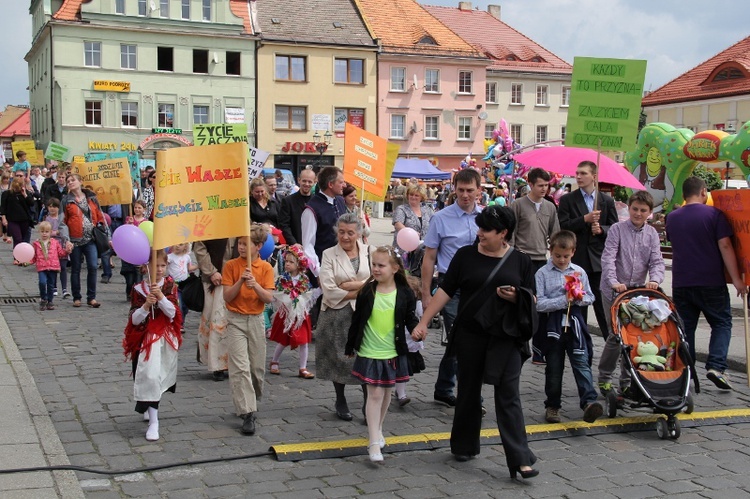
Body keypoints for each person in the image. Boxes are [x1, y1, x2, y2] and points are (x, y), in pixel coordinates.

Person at [412, 205, 538, 479]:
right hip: (470, 333)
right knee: (468, 391)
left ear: (503, 233)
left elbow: (533, 299)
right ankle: (464, 445)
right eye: (479, 227)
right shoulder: (465, 255)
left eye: (485, 229)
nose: (479, 233)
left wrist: (518, 297)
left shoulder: (520, 261)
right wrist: (423, 322)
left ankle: (520, 459)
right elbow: (446, 290)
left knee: (508, 396)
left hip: (506, 336)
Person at [666, 176, 747, 390]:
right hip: (711, 280)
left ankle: (688, 370)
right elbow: (726, 246)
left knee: (687, 328)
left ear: (684, 194)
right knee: (721, 323)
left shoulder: (672, 218)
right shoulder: (714, 215)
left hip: (682, 281)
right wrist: (737, 279)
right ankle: (716, 366)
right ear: (703, 191)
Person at [346, 246, 418, 463]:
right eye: (374, 265)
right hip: (370, 350)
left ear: (395, 268)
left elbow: (410, 318)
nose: (375, 269)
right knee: (375, 394)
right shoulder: (367, 291)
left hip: (393, 351)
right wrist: (351, 346)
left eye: (381, 265)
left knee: (386, 393)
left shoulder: (405, 293)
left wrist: (417, 329)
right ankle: (373, 441)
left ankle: (377, 430)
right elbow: (357, 320)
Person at [421, 168, 482, 407]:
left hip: (478, 287)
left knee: (468, 341)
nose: (465, 195)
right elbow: (429, 257)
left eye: (470, 190)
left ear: (478, 190)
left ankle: (444, 387)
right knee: (461, 339)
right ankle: (469, 395)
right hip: (451, 287)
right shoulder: (441, 218)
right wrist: (426, 293)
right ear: (454, 189)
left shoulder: (485, 217)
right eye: (460, 190)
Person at [597, 191, 665, 396]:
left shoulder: (651, 234)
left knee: (635, 336)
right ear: (629, 208)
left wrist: (655, 279)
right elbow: (608, 258)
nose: (638, 213)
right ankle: (605, 376)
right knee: (616, 336)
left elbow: (656, 260)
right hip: (614, 290)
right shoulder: (617, 229)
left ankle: (627, 379)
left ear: (649, 213)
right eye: (635, 209)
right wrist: (614, 282)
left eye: (643, 210)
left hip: (637, 291)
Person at [536, 230, 602, 424]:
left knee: (581, 363)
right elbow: (539, 303)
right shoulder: (543, 273)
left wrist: (579, 298)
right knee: (554, 369)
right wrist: (563, 300)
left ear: (573, 252)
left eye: (566, 256)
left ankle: (589, 402)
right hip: (553, 328)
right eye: (557, 256)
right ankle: (553, 405)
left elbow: (591, 296)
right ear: (551, 251)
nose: (562, 260)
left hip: (574, 325)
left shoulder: (579, 272)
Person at [122, 250, 183, 442]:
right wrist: (146, 306)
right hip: (144, 338)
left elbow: (173, 313)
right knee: (148, 374)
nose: (159, 269)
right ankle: (153, 420)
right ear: (145, 266)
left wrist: (161, 298)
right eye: (154, 265)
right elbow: (134, 318)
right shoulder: (138, 289)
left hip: (163, 336)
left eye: (162, 266)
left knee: (158, 376)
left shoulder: (169, 286)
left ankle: (151, 410)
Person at [316, 212, 371, 421]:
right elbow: (329, 290)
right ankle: (340, 398)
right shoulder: (329, 254)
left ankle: (369, 403)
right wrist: (364, 287)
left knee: (367, 357)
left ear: (358, 233)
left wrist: (351, 286)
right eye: (341, 232)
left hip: (365, 314)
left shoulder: (370, 252)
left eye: (350, 233)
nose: (345, 237)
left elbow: (379, 280)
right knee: (339, 358)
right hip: (336, 314)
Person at [221, 226, 275, 435]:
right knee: (240, 368)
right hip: (235, 319)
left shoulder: (266, 268)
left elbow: (268, 298)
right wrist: (241, 281)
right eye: (240, 243)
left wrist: (255, 286)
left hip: (256, 320)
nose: (241, 247)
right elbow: (227, 296)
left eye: (246, 244)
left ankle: (251, 396)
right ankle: (247, 411)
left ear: (258, 246)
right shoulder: (231, 266)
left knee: (256, 369)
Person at [558, 160, 618, 338]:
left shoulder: (606, 201)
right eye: (577, 173)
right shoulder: (568, 199)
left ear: (594, 176)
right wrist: (585, 219)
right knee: (577, 301)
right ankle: (577, 338)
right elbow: (563, 226)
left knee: (602, 304)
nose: (579, 176)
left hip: (599, 261)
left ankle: (611, 340)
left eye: (583, 173)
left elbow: (614, 228)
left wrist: (601, 230)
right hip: (577, 259)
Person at [268, 245, 318, 379]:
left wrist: (301, 301)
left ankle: (303, 367)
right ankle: (275, 360)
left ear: (299, 264)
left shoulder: (304, 280)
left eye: (291, 262)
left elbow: (308, 294)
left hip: (300, 315)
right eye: (286, 261)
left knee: (304, 341)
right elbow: (278, 293)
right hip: (287, 314)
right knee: (283, 340)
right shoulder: (283, 279)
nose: (287, 264)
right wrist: (287, 299)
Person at [59, 173, 109, 308]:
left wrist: (101, 228)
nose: (70, 182)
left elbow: (100, 216)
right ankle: (77, 297)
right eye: (68, 181)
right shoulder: (66, 200)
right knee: (76, 268)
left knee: (93, 266)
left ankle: (91, 297)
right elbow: (62, 222)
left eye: (73, 180)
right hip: (74, 240)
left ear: (80, 182)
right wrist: (66, 240)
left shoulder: (91, 198)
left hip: (90, 239)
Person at [194, 237, 235, 381]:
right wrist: (211, 271)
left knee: (233, 323)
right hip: (215, 280)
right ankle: (217, 364)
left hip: (235, 279)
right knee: (216, 322)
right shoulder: (211, 218)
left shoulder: (242, 218)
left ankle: (234, 362)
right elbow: (199, 247)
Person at [300, 166, 347, 276]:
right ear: (330, 184)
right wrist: (318, 272)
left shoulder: (340, 201)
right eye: (341, 182)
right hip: (323, 266)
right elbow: (308, 245)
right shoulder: (312, 209)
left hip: (342, 264)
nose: (344, 185)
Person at [31, 221, 70, 311]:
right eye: (42, 231)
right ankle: (43, 298)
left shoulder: (55, 242)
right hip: (41, 267)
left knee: (51, 285)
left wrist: (67, 251)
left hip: (53, 267)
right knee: (42, 282)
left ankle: (50, 300)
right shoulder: (36, 244)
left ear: (50, 232)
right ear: (39, 232)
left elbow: (60, 253)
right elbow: (33, 256)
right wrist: (26, 262)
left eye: (47, 231)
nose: (44, 233)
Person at [278, 169, 315, 246]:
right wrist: (294, 243)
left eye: (310, 182)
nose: (307, 184)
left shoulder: (317, 202)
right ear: (299, 180)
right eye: (304, 181)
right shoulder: (288, 201)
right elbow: (284, 225)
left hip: (313, 246)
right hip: (295, 246)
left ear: (314, 182)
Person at [0, 175, 36, 254]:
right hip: (12, 220)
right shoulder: (6, 194)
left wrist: (25, 195)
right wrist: (3, 218)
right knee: (17, 238)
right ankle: (17, 256)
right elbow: (3, 207)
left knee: (22, 239)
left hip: (24, 219)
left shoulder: (26, 193)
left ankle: (20, 256)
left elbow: (32, 203)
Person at [393, 185, 434, 253]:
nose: (413, 197)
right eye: (411, 194)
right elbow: (397, 224)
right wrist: (411, 233)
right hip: (404, 248)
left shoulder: (428, 210)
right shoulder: (401, 209)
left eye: (416, 195)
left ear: (421, 197)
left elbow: (434, 224)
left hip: (423, 249)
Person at [121, 200, 148, 300]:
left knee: (138, 277)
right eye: (135, 207)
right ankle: (129, 292)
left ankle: (137, 295)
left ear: (144, 210)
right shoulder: (130, 219)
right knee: (129, 278)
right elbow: (125, 232)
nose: (137, 209)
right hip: (129, 251)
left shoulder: (146, 222)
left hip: (139, 252)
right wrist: (129, 224)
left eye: (139, 208)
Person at [45, 198, 71, 299]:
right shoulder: (47, 219)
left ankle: (64, 288)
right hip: (52, 245)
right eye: (50, 206)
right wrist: (55, 233)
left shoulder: (62, 218)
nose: (52, 209)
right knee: (53, 267)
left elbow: (66, 230)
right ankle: (54, 287)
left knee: (63, 267)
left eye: (54, 207)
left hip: (62, 244)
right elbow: (45, 231)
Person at [168, 242, 198, 324]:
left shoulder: (187, 257)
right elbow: (163, 265)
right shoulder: (170, 257)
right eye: (176, 243)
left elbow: (189, 268)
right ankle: (179, 324)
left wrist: (199, 266)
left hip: (185, 284)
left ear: (185, 246)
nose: (177, 245)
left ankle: (182, 320)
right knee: (179, 305)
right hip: (175, 285)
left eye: (180, 244)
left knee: (185, 307)